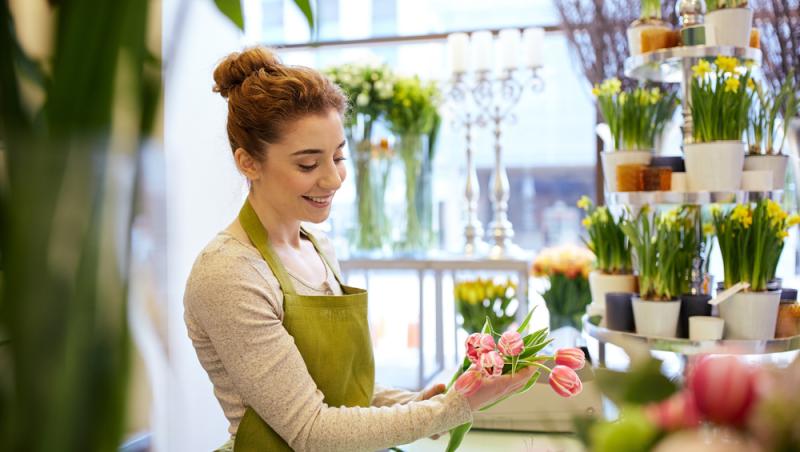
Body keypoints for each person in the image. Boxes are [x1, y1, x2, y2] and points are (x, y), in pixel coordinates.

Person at [183, 46, 535, 452]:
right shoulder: (229, 274)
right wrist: (448, 410)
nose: (333, 180)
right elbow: (310, 430)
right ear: (248, 163)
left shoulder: (318, 249)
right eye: (308, 165)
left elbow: (340, 393)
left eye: (339, 156)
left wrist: (418, 403)